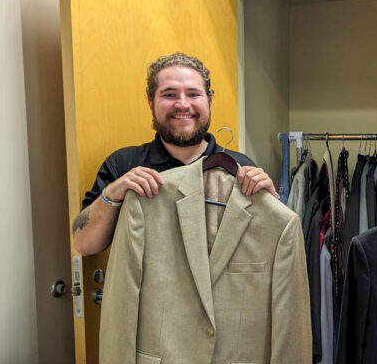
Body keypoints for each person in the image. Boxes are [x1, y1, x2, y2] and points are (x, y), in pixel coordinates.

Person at [72, 52, 276, 255]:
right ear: (151, 102)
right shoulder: (123, 164)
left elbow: (269, 247)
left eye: (193, 94)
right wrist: (112, 194)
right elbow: (84, 245)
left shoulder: (239, 167)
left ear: (209, 101)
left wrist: (271, 201)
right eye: (169, 95)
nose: (183, 104)